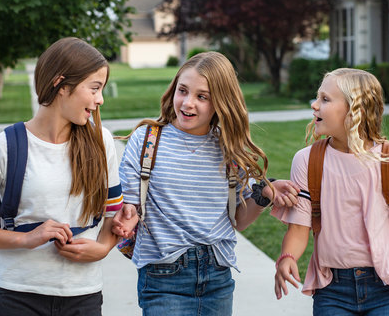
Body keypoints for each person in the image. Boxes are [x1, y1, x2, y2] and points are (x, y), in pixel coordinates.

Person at [112, 51, 300, 316]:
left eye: (202, 97)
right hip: (164, 276)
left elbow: (239, 220)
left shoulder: (229, 148)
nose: (188, 103)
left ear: (220, 103)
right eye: (183, 91)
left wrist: (265, 193)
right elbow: (129, 206)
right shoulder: (147, 141)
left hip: (218, 276)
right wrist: (128, 217)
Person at [272, 68, 389, 315]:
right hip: (332, 290)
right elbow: (298, 227)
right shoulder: (307, 161)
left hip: (386, 289)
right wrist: (287, 257)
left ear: (355, 111)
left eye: (325, 99)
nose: (314, 105)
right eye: (318, 97)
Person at [0, 37, 123, 316]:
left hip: (83, 294)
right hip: (16, 293)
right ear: (62, 84)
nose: (101, 99)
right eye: (94, 88)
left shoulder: (101, 142)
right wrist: (26, 239)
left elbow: (113, 214)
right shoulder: (3, 147)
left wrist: (104, 247)